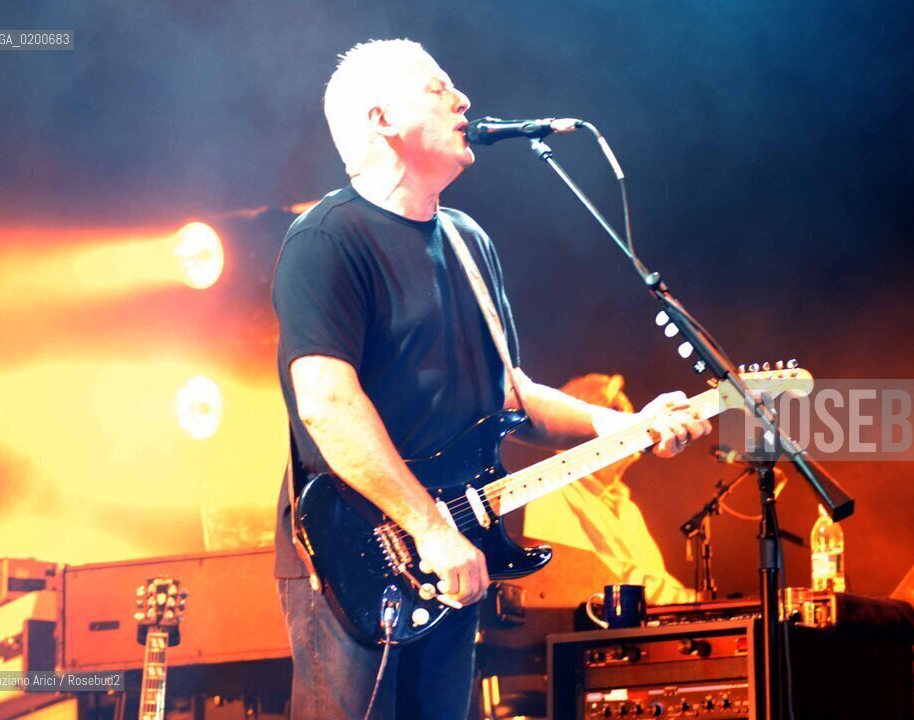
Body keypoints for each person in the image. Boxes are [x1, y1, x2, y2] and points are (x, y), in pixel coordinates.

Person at [270, 39, 711, 720]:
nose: (463, 100)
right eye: (437, 87)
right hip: (354, 550)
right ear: (382, 118)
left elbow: (510, 394)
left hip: (455, 542)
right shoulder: (328, 239)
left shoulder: (469, 241)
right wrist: (428, 530)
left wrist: (624, 426)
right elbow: (327, 406)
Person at [523, 373, 695, 605]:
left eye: (628, 412)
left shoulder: (626, 507)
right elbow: (600, 582)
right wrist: (691, 601)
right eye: (615, 410)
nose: (630, 420)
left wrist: (697, 602)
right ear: (574, 430)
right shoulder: (551, 499)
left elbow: (651, 581)